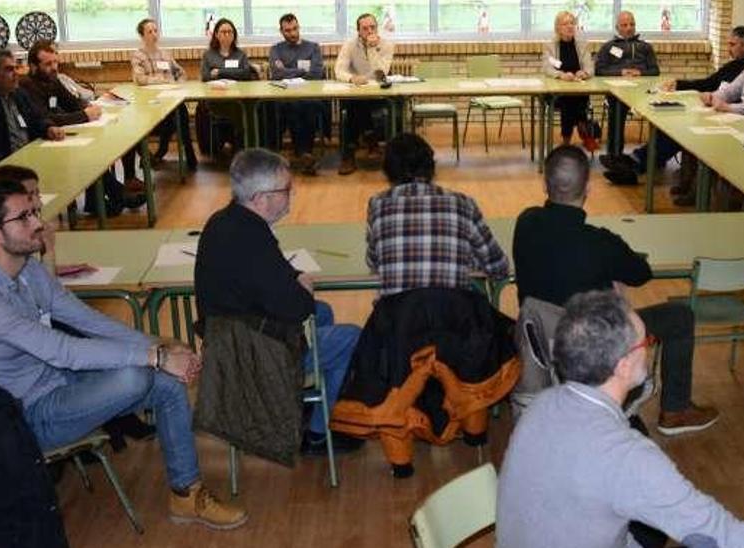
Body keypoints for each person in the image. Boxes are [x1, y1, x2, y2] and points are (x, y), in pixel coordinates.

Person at [0, 181, 246, 529]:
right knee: (137, 374)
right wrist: (156, 356)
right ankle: (185, 490)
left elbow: (86, 320)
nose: (37, 222)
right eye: (23, 217)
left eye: (33, 212)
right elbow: (63, 351)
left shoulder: (26, 270)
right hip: (19, 417)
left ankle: (186, 495)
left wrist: (157, 345)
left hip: (55, 385)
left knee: (165, 383)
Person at [496, 290, 744, 548]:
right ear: (622, 366)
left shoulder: (541, 405)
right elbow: (721, 535)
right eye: (645, 343)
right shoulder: (628, 457)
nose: (649, 348)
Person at [514, 145, 716, 435]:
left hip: (542, 345)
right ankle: (675, 410)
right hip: (593, 348)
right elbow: (641, 274)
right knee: (680, 316)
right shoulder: (601, 244)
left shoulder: (526, 223)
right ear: (589, 188)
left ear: (545, 185)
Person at [194, 148, 364, 454]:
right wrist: (304, 286)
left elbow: (274, 277)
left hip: (226, 343)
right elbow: (298, 306)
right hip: (252, 357)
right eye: (286, 190)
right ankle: (316, 435)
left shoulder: (227, 221)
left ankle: (298, 409)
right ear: (262, 198)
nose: (291, 195)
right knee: (352, 337)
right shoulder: (252, 239)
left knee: (323, 313)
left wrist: (295, 280)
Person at [365, 133, 509, 296]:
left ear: (388, 171)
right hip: (454, 318)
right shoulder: (463, 203)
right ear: (431, 166)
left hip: (398, 319)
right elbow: (499, 267)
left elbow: (373, 262)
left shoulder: (377, 204)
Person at [633, 26, 744, 203]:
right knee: (677, 128)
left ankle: (642, 164)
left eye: (732, 44)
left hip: (735, 119)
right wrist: (679, 83)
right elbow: (709, 83)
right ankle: (647, 163)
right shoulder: (733, 64)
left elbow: (743, 98)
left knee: (689, 135)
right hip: (717, 111)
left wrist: (717, 100)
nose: (728, 48)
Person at [19, 40, 144, 216]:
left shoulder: (53, 80)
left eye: (56, 62)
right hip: (39, 144)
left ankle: (100, 200)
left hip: (60, 138)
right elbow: (45, 118)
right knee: (88, 158)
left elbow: (73, 103)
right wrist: (85, 115)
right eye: (48, 64)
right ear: (33, 66)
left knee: (95, 151)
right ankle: (117, 196)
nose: (54, 67)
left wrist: (88, 108)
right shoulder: (26, 87)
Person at [131, 18, 198, 170]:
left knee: (180, 112)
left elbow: (181, 73)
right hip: (151, 103)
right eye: (150, 31)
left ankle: (175, 152)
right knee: (178, 116)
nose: (154, 34)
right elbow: (140, 78)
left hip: (170, 99)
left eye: (156, 30)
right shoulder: (138, 56)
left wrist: (178, 84)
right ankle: (175, 152)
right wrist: (160, 81)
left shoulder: (165, 54)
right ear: (142, 36)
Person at [594, 11, 659, 167]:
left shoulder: (645, 47)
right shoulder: (609, 47)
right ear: (617, 27)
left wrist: (640, 72)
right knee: (616, 107)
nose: (629, 28)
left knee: (660, 110)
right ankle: (615, 154)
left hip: (642, 91)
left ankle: (655, 156)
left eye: (632, 24)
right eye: (624, 25)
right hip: (619, 92)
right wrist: (620, 72)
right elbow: (600, 71)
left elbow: (655, 71)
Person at [334, 13, 394, 175]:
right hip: (357, 92)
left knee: (364, 107)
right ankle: (366, 144)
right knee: (355, 105)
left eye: (372, 27)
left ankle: (354, 150)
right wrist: (352, 78)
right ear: (358, 31)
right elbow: (338, 70)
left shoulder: (387, 45)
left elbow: (381, 73)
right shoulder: (349, 44)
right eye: (365, 28)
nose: (369, 31)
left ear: (377, 28)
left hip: (377, 92)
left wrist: (372, 48)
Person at [268, 13, 326, 175]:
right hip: (285, 97)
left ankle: (304, 153)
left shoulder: (313, 47)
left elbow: (316, 72)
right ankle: (304, 154)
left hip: (310, 96)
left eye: (294, 28)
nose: (292, 33)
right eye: (287, 31)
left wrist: (287, 70)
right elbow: (276, 74)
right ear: (281, 31)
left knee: (307, 105)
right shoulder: (276, 49)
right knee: (290, 106)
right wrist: (301, 71)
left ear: (298, 26)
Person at [199, 18, 257, 155]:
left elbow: (245, 74)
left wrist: (220, 71)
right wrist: (233, 74)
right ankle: (233, 142)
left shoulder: (240, 54)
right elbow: (206, 77)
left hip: (238, 98)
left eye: (230, 32)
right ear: (217, 35)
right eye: (223, 32)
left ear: (234, 35)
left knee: (244, 107)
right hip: (216, 98)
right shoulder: (208, 55)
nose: (227, 35)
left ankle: (241, 145)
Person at [542, 11, 594, 146]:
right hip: (557, 93)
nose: (570, 26)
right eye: (565, 24)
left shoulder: (582, 45)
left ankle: (566, 142)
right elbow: (547, 68)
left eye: (572, 23)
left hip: (579, 89)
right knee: (569, 101)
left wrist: (584, 73)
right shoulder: (550, 46)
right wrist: (561, 75)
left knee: (575, 99)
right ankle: (584, 131)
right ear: (557, 27)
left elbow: (590, 68)